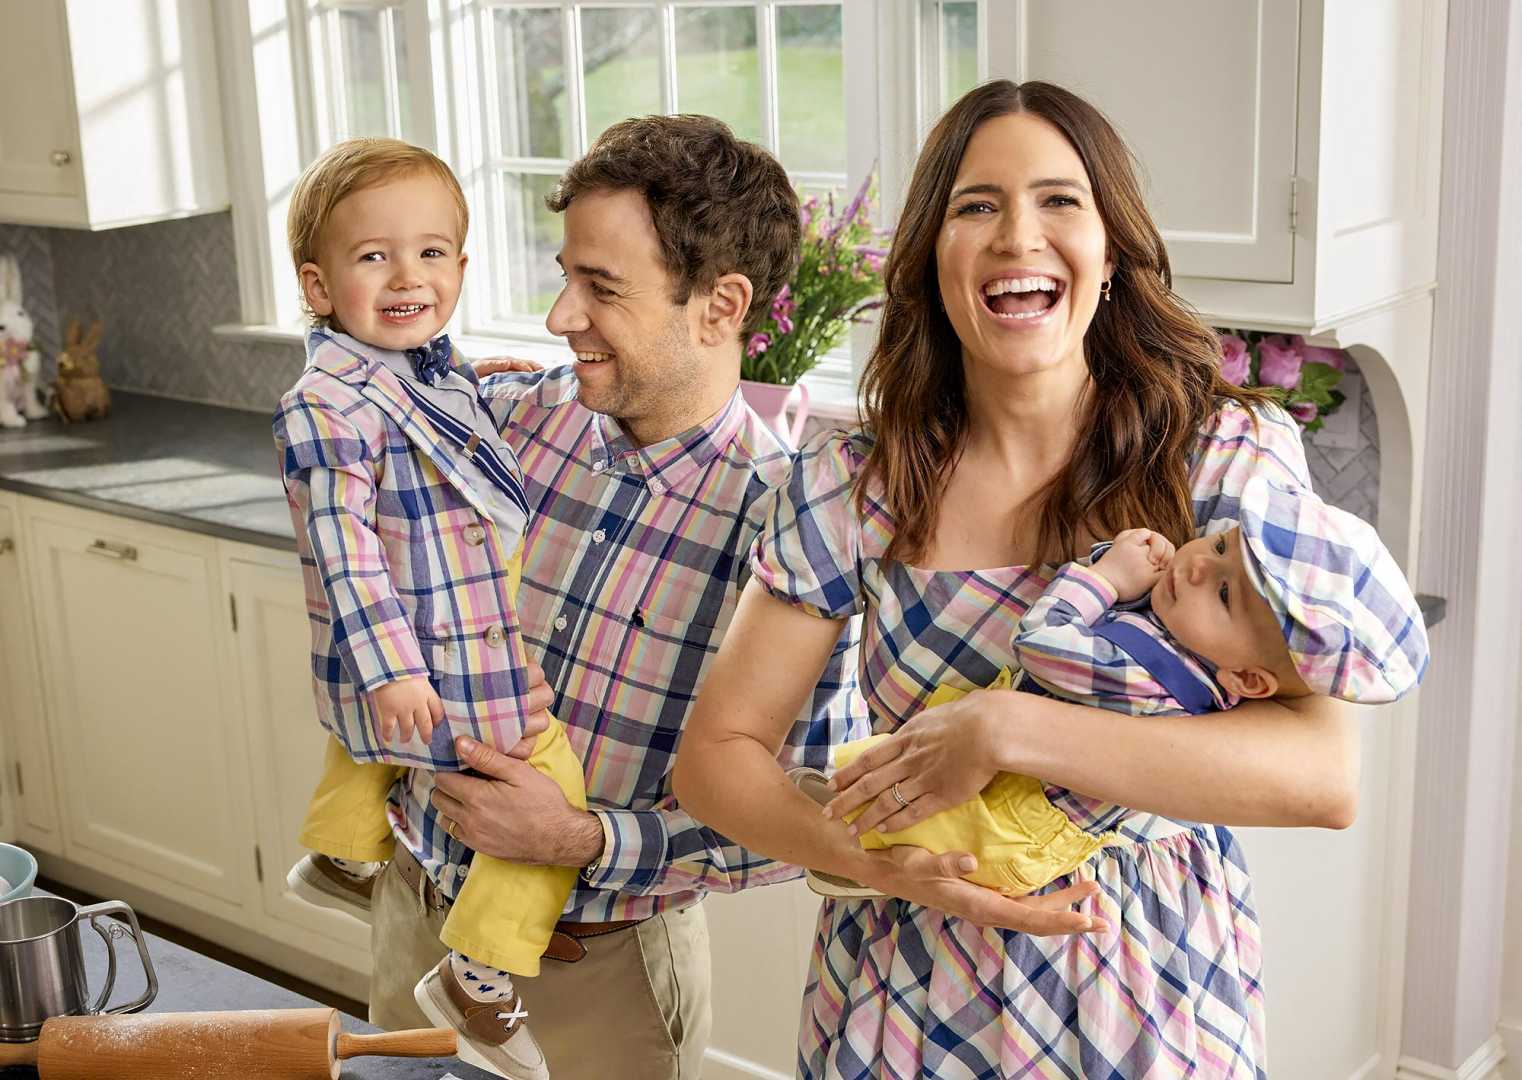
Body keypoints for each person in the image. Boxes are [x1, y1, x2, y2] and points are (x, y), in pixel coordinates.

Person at [673, 80, 1366, 1078]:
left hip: (1151, 985)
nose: (1016, 237)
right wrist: (887, 863)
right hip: (907, 988)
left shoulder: (1221, 459)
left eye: (1058, 201)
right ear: (932, 263)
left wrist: (1006, 730)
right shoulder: (848, 483)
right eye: (975, 206)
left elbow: (1324, 777)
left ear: (1113, 253)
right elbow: (715, 759)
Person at [361, 114, 864, 1080]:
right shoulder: (505, 422)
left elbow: (796, 824)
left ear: (721, 305)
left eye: (601, 288)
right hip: (416, 905)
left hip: (594, 969)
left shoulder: (790, 531)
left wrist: (577, 840)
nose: (560, 317)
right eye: (565, 275)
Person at [273, 137, 583, 1080]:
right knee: (553, 790)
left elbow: (440, 431)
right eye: (375, 257)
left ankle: (339, 853)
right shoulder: (326, 405)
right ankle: (479, 976)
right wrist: (396, 670)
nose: (409, 275)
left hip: (430, 648)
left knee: (368, 743)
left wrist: (467, 387)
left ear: (461, 262)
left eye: (433, 251)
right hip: (438, 656)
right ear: (319, 286)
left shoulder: (418, 372)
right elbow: (344, 552)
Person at [792, 483, 1428, 900]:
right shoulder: (1195, 663)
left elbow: (1042, 641)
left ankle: (853, 836)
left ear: (1249, 681)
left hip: (1018, 822)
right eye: (1220, 542)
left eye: (1226, 594)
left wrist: (1105, 575)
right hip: (1042, 818)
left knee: (927, 808)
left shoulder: (1147, 674)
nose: (1199, 565)